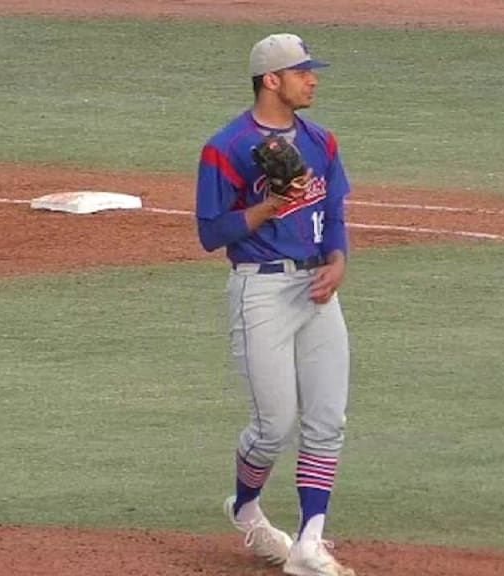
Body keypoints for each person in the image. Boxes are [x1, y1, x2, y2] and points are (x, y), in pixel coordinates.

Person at [195, 33, 355, 576]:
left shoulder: (321, 141)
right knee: (273, 426)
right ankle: (246, 510)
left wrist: (338, 260)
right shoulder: (227, 146)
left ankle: (311, 541)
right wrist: (271, 206)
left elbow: (334, 211)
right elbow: (211, 233)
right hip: (260, 289)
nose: (312, 79)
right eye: (302, 71)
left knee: (327, 419)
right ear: (272, 80)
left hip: (317, 289)